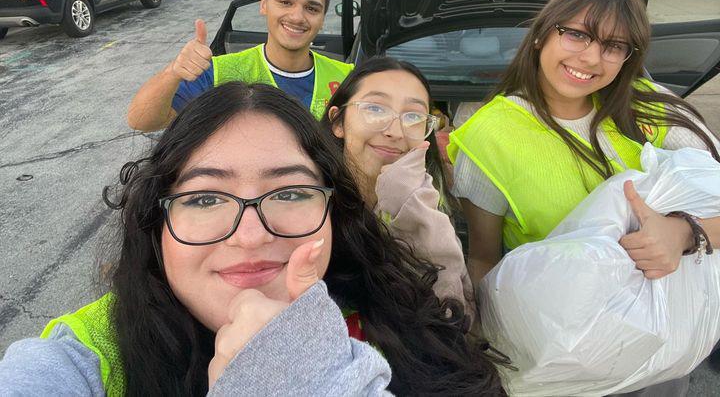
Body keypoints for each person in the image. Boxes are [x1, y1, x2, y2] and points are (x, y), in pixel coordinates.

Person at [0, 82, 504, 396]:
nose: (250, 235)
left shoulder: (402, 316)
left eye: (289, 193)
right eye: (204, 198)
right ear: (156, 223)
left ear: (336, 212)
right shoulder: (77, 363)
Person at [448, 0, 720, 395]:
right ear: (542, 34)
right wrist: (491, 355)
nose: (592, 58)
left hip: (665, 349)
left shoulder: (654, 109)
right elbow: (484, 259)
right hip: (563, 354)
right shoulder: (488, 136)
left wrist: (686, 232)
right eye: (577, 34)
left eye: (613, 46)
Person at [127, 0, 353, 130]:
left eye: (312, 8)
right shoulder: (218, 73)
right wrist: (173, 72)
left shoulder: (347, 78)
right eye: (285, 2)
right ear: (263, 4)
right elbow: (141, 121)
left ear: (323, 17)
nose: (297, 17)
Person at [322, 57, 473, 314]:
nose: (395, 131)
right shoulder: (311, 208)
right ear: (338, 122)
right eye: (375, 109)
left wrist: (417, 214)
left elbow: (453, 311)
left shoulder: (429, 201)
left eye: (413, 116)